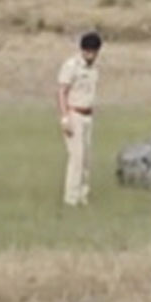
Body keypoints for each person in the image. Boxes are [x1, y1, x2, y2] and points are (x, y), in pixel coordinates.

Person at [56, 32, 102, 207]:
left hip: (88, 115)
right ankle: (71, 198)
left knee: (87, 158)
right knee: (77, 157)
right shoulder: (72, 66)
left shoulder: (94, 69)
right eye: (88, 51)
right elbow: (62, 91)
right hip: (74, 113)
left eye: (94, 52)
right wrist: (64, 117)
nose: (90, 55)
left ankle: (83, 195)